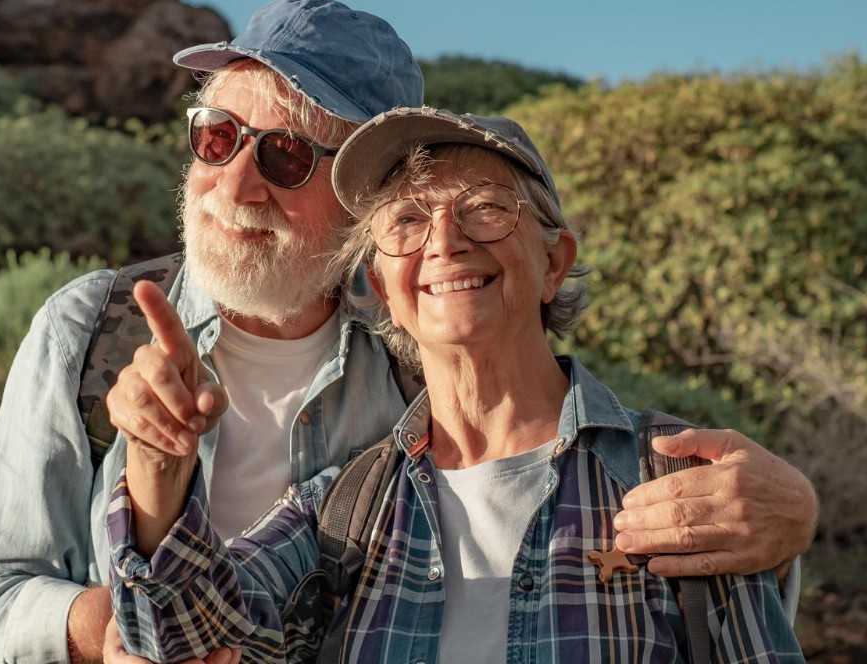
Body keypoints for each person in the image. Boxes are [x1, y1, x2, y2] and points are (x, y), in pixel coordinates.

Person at [0, 0, 818, 664]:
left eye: (284, 156)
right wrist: (115, 593)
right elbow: (15, 611)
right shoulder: (94, 333)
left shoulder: (435, 372)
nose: (237, 184)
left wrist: (796, 515)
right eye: (217, 138)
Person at [107, 107, 806, 663]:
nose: (444, 241)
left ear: (553, 262)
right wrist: (156, 469)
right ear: (381, 287)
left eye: (484, 209)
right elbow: (187, 641)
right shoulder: (341, 511)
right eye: (407, 222)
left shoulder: (677, 482)